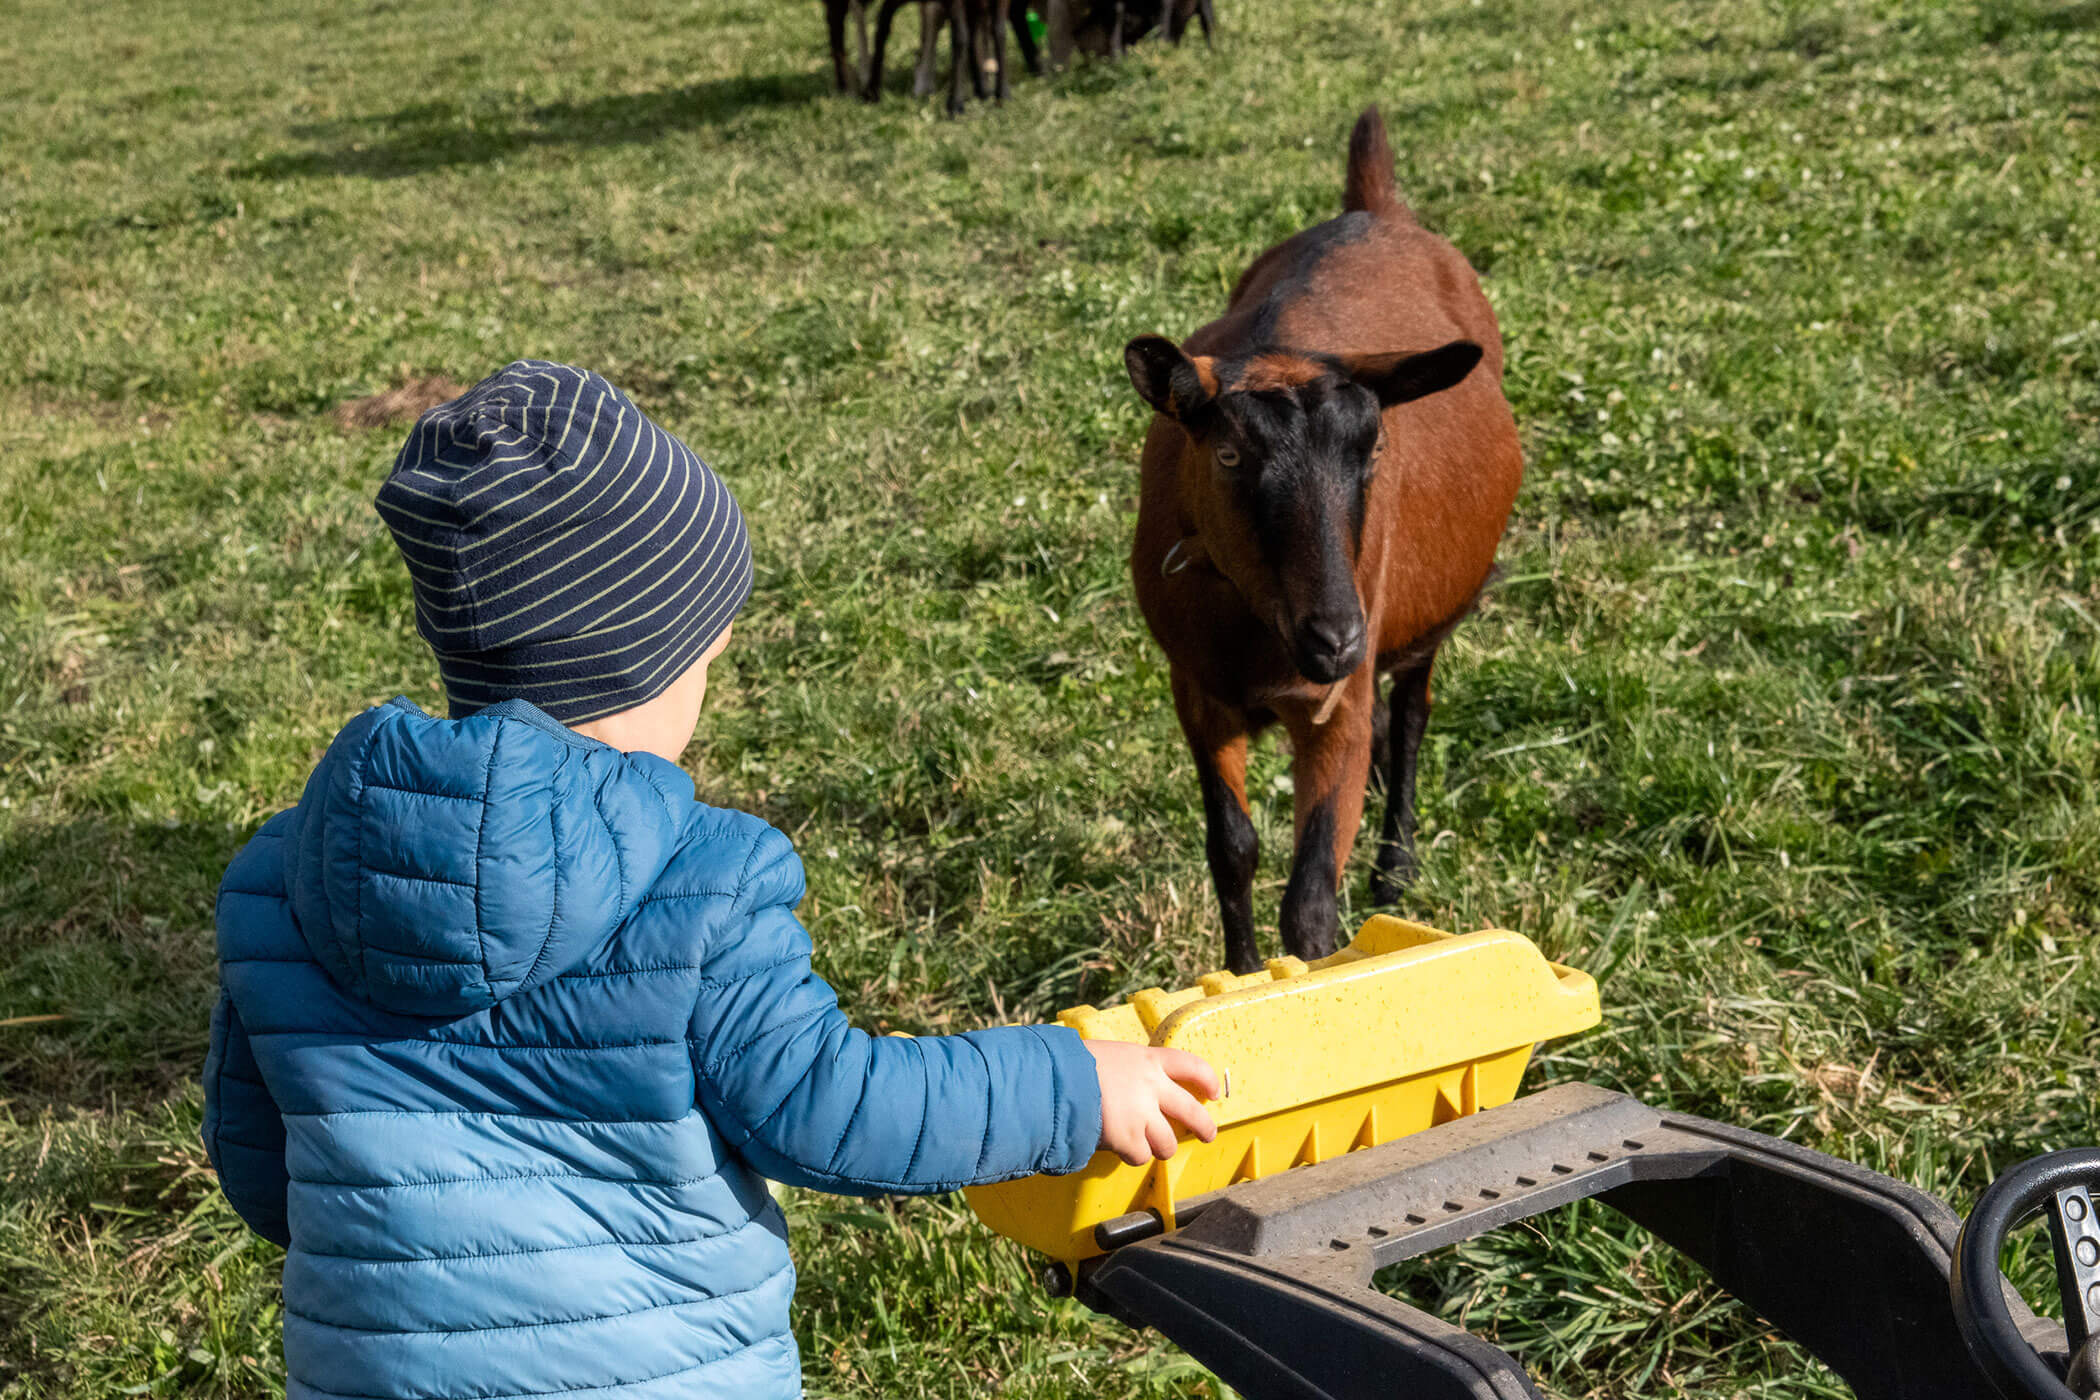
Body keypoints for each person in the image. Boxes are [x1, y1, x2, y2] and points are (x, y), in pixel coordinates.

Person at [202, 360, 1220, 1400]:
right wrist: (1070, 1081)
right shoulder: (702, 882)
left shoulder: (281, 878)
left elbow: (259, 1165)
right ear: (646, 660)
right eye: (709, 659)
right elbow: (834, 1110)